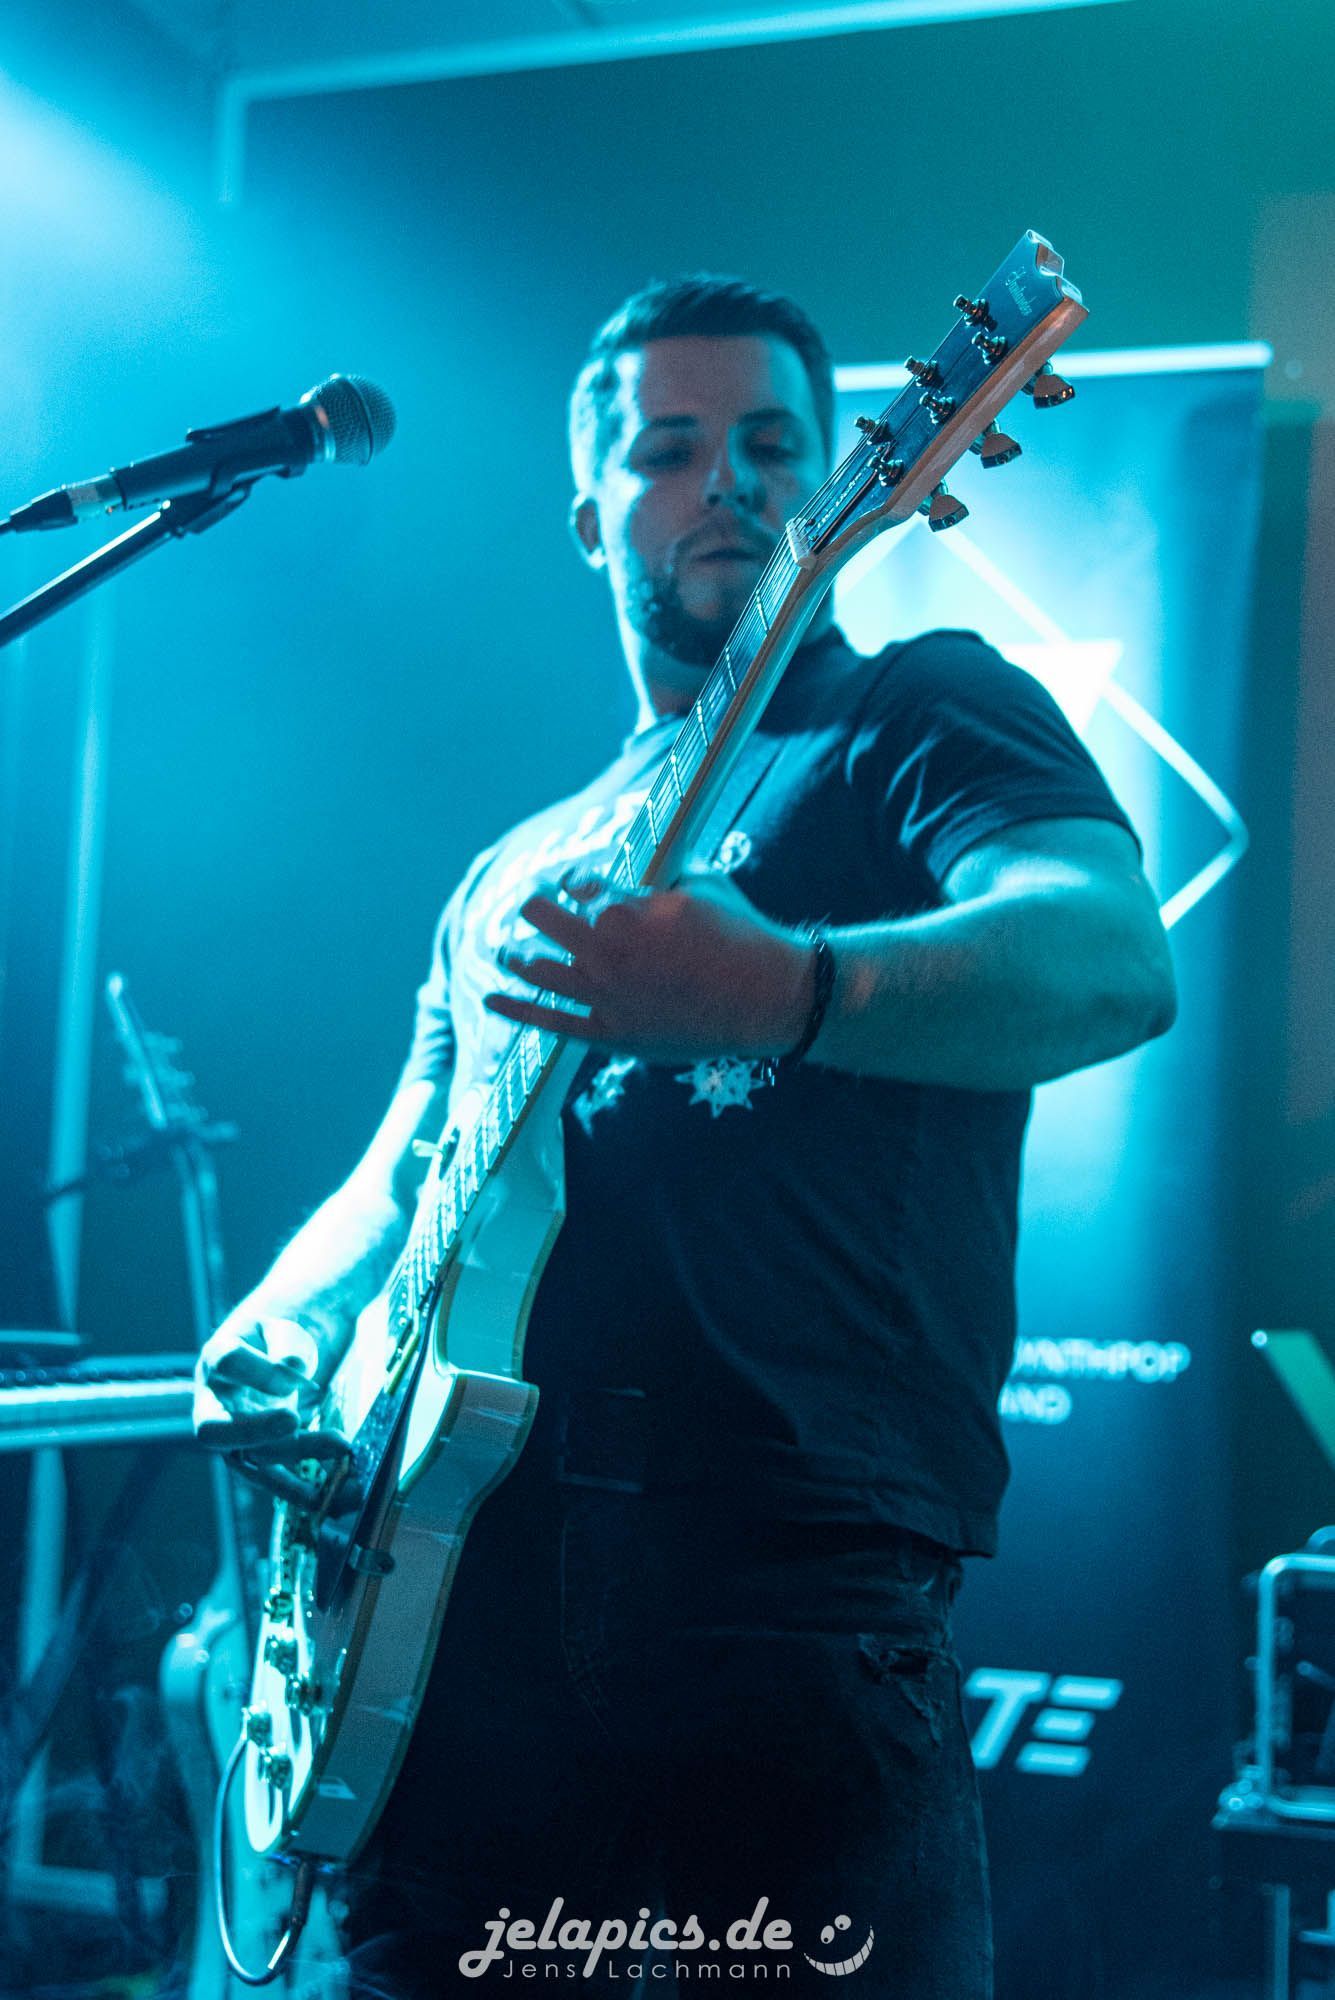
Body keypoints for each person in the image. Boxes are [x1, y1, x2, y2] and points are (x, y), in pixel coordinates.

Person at [194, 276, 1177, 1997]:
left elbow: (1110, 958)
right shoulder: (514, 863)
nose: (730, 480)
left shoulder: (917, 710)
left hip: (781, 1602)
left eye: (775, 444)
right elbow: (408, 1163)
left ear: (855, 473)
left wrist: (788, 989)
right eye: (669, 449)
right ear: (591, 516)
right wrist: (277, 1320)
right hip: (447, 1624)